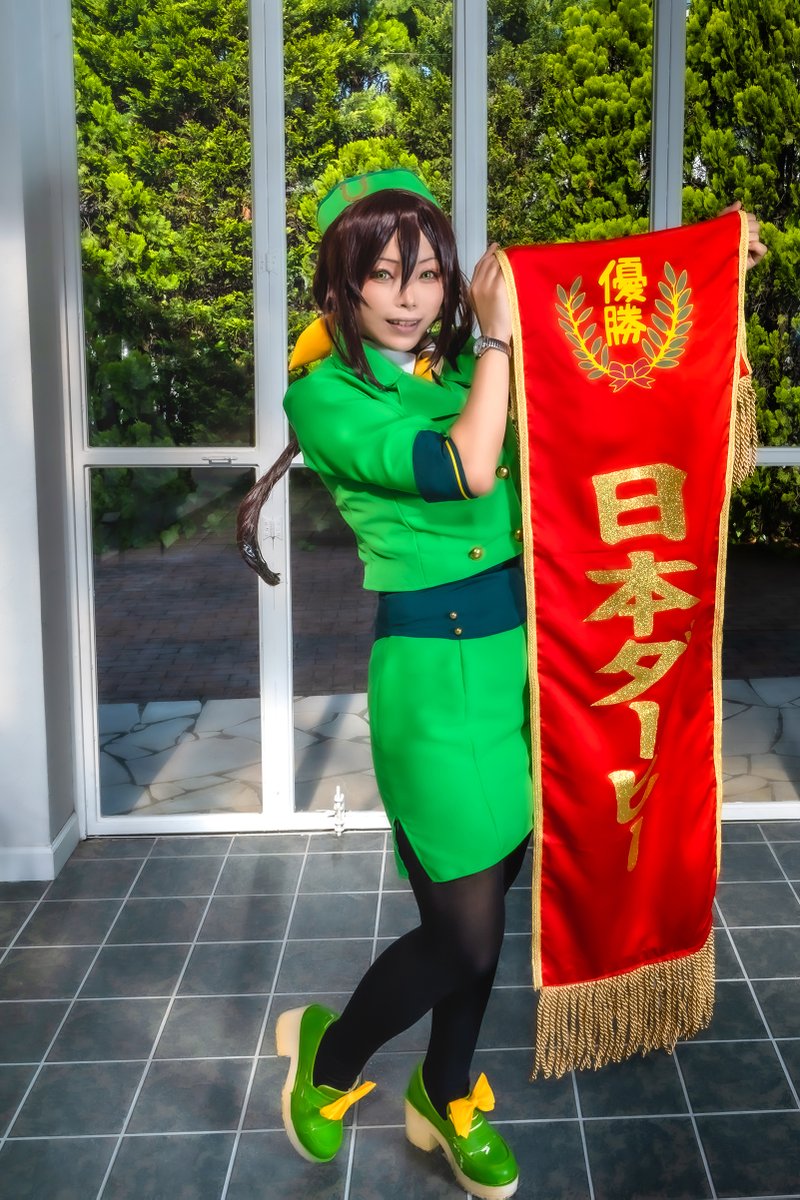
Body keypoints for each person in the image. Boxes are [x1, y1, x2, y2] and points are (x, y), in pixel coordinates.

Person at [236, 171, 766, 1200]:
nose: (409, 296)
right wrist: (495, 341)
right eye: (383, 274)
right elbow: (468, 468)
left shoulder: (463, 367)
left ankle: (444, 1092)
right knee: (464, 932)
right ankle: (328, 1061)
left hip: (530, 675)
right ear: (341, 284)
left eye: (427, 274)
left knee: (484, 919)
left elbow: (606, 386)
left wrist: (705, 277)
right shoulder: (325, 394)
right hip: (433, 691)